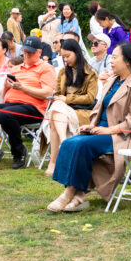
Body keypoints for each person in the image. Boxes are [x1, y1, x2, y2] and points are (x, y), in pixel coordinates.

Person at [47, 42, 131, 212]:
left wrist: (109, 130)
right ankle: (79, 194)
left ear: (128, 62)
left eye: (115, 57)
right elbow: (98, 108)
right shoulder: (112, 81)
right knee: (68, 143)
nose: (111, 61)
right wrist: (90, 125)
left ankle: (70, 192)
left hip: (119, 135)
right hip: (99, 130)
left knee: (80, 145)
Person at [0, 36, 56, 169]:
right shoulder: (16, 68)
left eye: (30, 53)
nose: (26, 55)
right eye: (25, 52)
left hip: (34, 107)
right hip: (11, 104)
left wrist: (23, 87)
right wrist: (6, 85)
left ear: (39, 52)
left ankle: (19, 152)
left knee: (6, 114)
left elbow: (47, 93)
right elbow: (4, 92)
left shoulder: (46, 68)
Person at [42, 39, 98, 176]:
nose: (65, 59)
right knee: (57, 110)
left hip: (82, 111)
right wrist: (60, 99)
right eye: (63, 57)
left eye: (68, 56)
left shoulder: (90, 73)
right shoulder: (62, 72)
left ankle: (53, 162)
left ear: (77, 54)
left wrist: (67, 99)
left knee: (55, 116)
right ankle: (64, 142)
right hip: (63, 110)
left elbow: (90, 98)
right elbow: (57, 94)